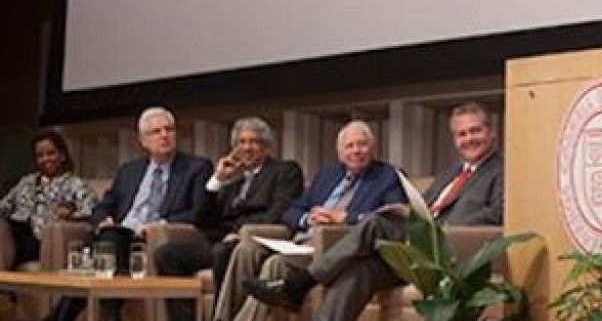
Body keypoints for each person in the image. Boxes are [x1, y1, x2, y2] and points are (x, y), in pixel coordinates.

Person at [243, 102, 504, 321]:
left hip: (447, 249)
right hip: (416, 249)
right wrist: (405, 212)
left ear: (491, 133)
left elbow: (498, 214)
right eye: (462, 134)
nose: (469, 139)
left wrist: (441, 229)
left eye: (475, 131)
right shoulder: (451, 172)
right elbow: (421, 206)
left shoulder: (502, 170)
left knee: (376, 221)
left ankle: (301, 283)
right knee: (359, 270)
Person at [212, 120, 405, 321]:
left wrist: (344, 217)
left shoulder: (387, 176)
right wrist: (307, 218)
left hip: (335, 246)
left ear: (373, 148)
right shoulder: (327, 174)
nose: (356, 151)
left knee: (275, 265)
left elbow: (392, 217)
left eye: (362, 144)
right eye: (350, 146)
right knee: (246, 248)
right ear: (340, 153)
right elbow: (291, 211)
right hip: (301, 240)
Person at [46, 106, 213, 321]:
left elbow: (199, 212)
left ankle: (70, 318)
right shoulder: (129, 170)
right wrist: (102, 220)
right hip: (120, 233)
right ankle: (106, 314)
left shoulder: (197, 168)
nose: (164, 136)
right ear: (143, 141)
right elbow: (105, 205)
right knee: (109, 239)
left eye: (169, 130)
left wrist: (160, 224)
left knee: (105, 249)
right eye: (156, 132)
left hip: (153, 237)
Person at [153, 117, 304, 321]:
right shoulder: (233, 180)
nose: (247, 148)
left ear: (267, 147)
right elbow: (204, 220)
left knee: (222, 252)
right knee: (166, 254)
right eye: (241, 142)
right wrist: (217, 180)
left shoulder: (285, 171)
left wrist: (239, 232)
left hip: (252, 242)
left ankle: (221, 316)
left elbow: (278, 213)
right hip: (219, 241)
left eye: (254, 142)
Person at [0, 131, 98, 270]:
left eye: (51, 153)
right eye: (40, 156)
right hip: (19, 234)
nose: (46, 159)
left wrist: (71, 215)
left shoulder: (75, 184)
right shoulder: (26, 182)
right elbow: (3, 207)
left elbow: (93, 211)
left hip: (46, 239)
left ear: (62, 156)